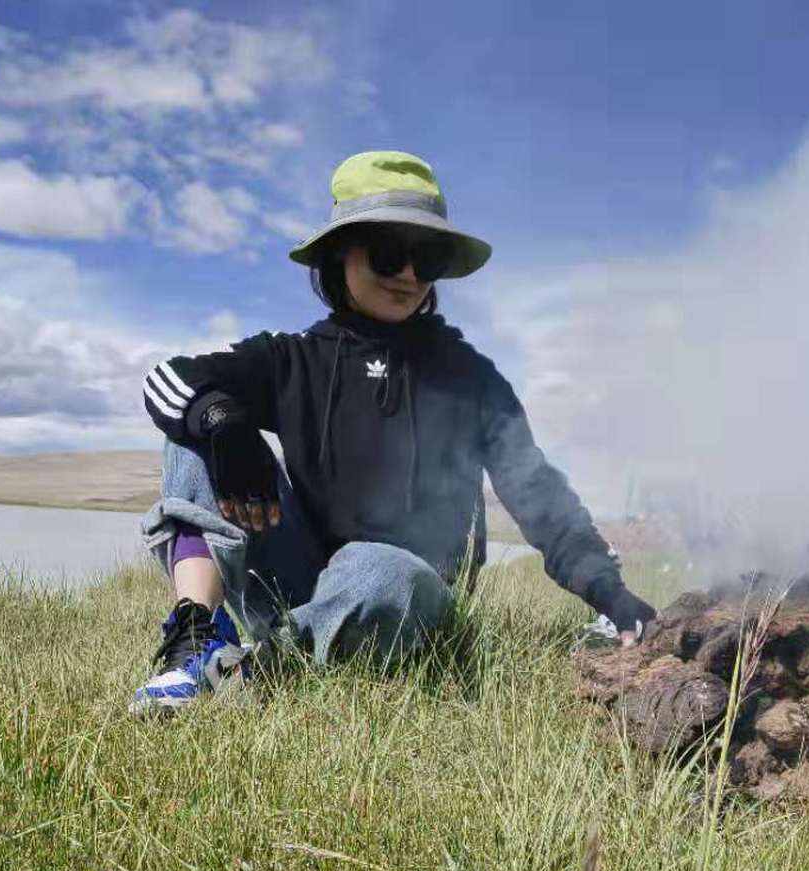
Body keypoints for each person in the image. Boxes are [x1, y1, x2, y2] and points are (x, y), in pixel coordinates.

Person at [130, 151, 654, 710]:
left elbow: (537, 492)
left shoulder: (469, 377)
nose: (407, 274)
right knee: (196, 421)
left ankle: (263, 671)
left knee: (380, 569)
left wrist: (611, 593)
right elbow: (168, 379)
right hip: (289, 583)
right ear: (339, 256)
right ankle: (196, 642)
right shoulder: (293, 359)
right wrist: (223, 423)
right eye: (386, 254)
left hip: (400, 598)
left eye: (425, 257)